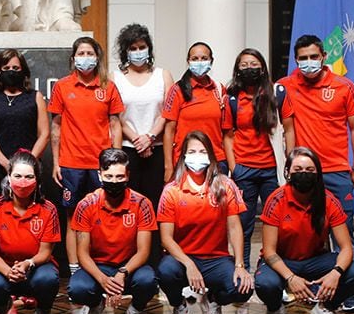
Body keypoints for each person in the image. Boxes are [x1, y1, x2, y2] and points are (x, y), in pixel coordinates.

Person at [277, 34, 354, 311]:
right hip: (304, 172)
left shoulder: (343, 86)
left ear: (324, 57)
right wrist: (291, 165)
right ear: (296, 60)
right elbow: (285, 127)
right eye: (302, 58)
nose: (308, 62)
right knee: (302, 232)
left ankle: (343, 293)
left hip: (338, 170)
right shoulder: (285, 87)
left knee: (343, 235)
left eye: (314, 57)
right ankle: (300, 288)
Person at [254, 148, 354, 314]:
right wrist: (291, 278)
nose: (304, 174)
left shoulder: (329, 200)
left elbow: (347, 247)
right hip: (282, 261)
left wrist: (335, 273)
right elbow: (270, 252)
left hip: (315, 260)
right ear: (288, 172)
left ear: (318, 174)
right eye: (298, 169)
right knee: (265, 283)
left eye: (309, 170)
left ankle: (324, 309)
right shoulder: (276, 200)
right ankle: (275, 311)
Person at [156, 132, 254, 314]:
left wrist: (240, 265)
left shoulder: (225, 185)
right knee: (165, 272)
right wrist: (189, 264)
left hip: (216, 259)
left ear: (210, 156)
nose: (197, 156)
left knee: (243, 288)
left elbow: (235, 227)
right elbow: (166, 238)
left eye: (202, 151)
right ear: (183, 156)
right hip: (182, 259)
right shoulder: (172, 190)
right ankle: (179, 306)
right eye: (192, 151)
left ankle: (214, 301)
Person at [49, 37, 124, 271]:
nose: (85, 58)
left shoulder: (108, 87)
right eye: (81, 53)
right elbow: (56, 127)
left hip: (101, 165)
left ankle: (99, 266)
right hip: (71, 163)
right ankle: (74, 269)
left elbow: (115, 124)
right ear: (73, 59)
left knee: (101, 216)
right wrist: (55, 162)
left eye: (89, 53)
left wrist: (118, 159)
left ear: (97, 57)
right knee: (73, 218)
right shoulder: (62, 86)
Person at [68, 148, 157, 314]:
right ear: (99, 174)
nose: (114, 182)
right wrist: (103, 280)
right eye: (108, 176)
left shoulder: (142, 204)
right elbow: (82, 254)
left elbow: (144, 251)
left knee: (148, 281)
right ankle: (95, 306)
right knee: (77, 289)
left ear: (128, 176)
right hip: (98, 266)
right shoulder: (86, 204)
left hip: (130, 267)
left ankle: (135, 310)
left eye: (119, 177)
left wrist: (122, 274)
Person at [222, 48, 295, 268]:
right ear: (237, 70)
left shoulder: (277, 92)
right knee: (243, 224)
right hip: (244, 169)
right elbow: (227, 135)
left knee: (278, 223)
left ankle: (272, 270)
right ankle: (242, 269)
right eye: (243, 65)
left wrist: (290, 163)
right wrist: (234, 167)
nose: (249, 69)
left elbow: (289, 129)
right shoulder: (232, 98)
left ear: (262, 67)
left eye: (253, 64)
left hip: (272, 170)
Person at [0, 150, 61, 314]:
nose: (22, 182)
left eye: (28, 177)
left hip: (36, 267)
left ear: (37, 180)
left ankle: (43, 311)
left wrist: (27, 263)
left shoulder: (48, 209)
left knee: (47, 280)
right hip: (2, 266)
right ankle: (1, 308)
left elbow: (46, 252)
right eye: (17, 176)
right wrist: (9, 271)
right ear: (8, 177)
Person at [0, 49, 50, 215]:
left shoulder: (35, 96)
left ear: (23, 71)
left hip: (28, 170)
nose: (11, 71)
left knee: (30, 213)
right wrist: (5, 163)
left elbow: (44, 134)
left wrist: (26, 164)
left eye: (16, 68)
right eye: (7, 68)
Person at [113, 23, 173, 212]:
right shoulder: (115, 78)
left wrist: (150, 137)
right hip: (128, 149)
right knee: (129, 207)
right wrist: (137, 140)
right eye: (133, 48)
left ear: (149, 49)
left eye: (142, 47)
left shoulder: (163, 75)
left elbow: (168, 112)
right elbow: (116, 116)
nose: (138, 52)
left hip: (157, 150)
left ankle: (155, 243)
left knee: (155, 206)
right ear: (126, 51)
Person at [162, 42, 228, 183]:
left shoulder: (219, 89)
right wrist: (168, 166)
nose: (199, 62)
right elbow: (169, 130)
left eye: (204, 58)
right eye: (195, 59)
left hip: (216, 159)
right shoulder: (178, 89)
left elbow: (227, 130)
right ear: (188, 61)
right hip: (185, 159)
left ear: (211, 61)